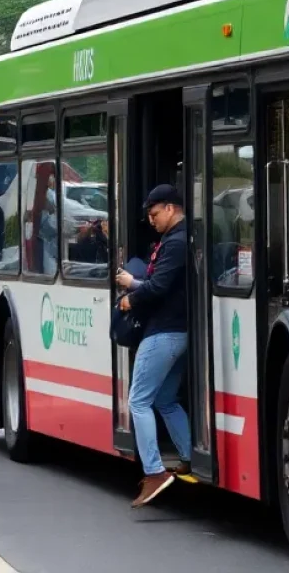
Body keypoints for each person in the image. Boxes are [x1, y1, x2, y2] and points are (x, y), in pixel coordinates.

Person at [116, 184, 191, 508]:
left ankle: (155, 471)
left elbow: (159, 287)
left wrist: (131, 294)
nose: (152, 220)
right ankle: (189, 456)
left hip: (164, 333)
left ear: (171, 209)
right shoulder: (180, 238)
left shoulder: (175, 243)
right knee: (165, 399)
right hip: (179, 333)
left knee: (138, 401)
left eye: (155, 213)